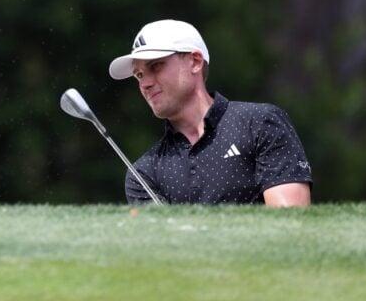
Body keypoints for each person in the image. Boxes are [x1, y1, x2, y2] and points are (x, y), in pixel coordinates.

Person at [108, 19, 312, 206]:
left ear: (195, 61)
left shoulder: (260, 123)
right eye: (139, 75)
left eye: (156, 66)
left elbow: (289, 222)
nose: (145, 83)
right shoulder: (143, 174)